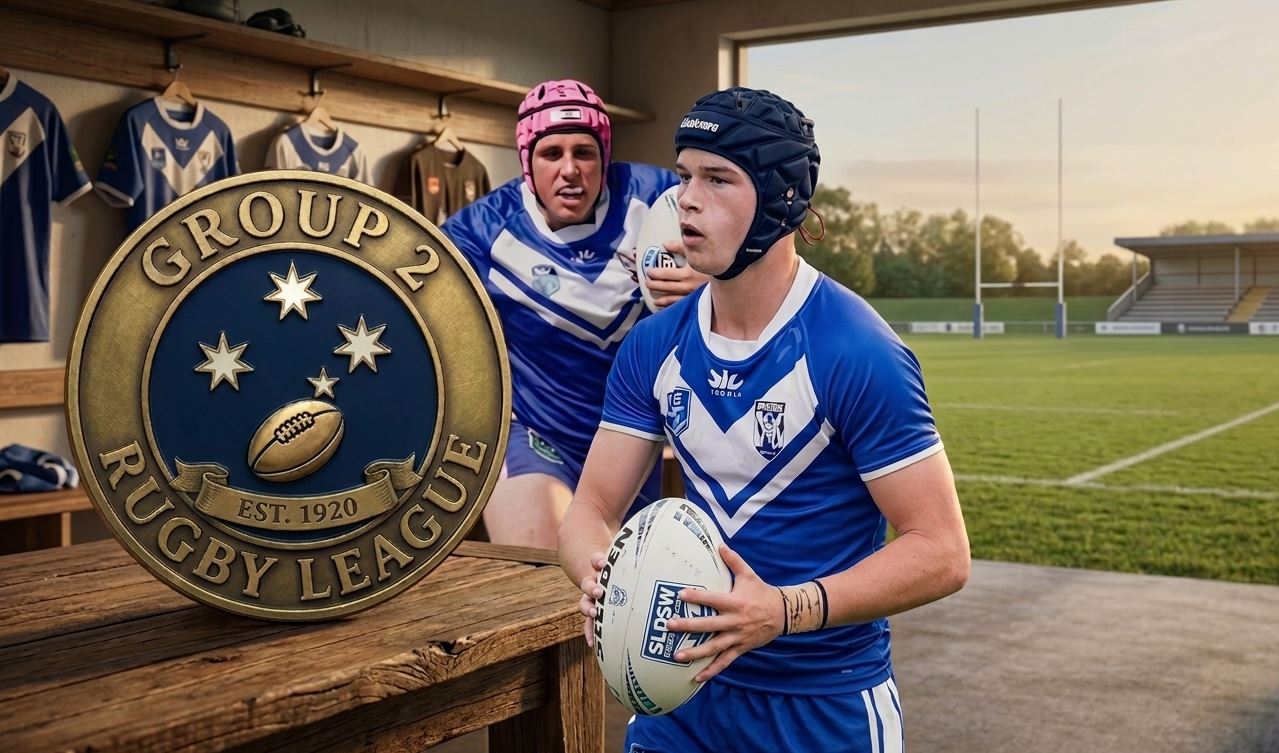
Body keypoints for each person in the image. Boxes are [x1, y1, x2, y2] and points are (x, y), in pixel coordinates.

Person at [559, 87, 970, 752]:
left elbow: (942, 552)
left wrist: (781, 610)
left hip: (821, 707)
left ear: (780, 199)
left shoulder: (855, 350)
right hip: (679, 696)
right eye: (683, 175)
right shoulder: (652, 346)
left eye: (717, 179)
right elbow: (590, 509)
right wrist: (600, 576)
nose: (686, 199)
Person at [442, 79, 707, 549]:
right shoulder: (479, 231)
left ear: (604, 156)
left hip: (632, 433)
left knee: (622, 589)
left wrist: (713, 282)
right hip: (535, 430)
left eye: (584, 152)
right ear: (527, 162)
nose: (570, 171)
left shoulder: (660, 197)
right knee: (539, 555)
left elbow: (757, 267)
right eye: (552, 154)